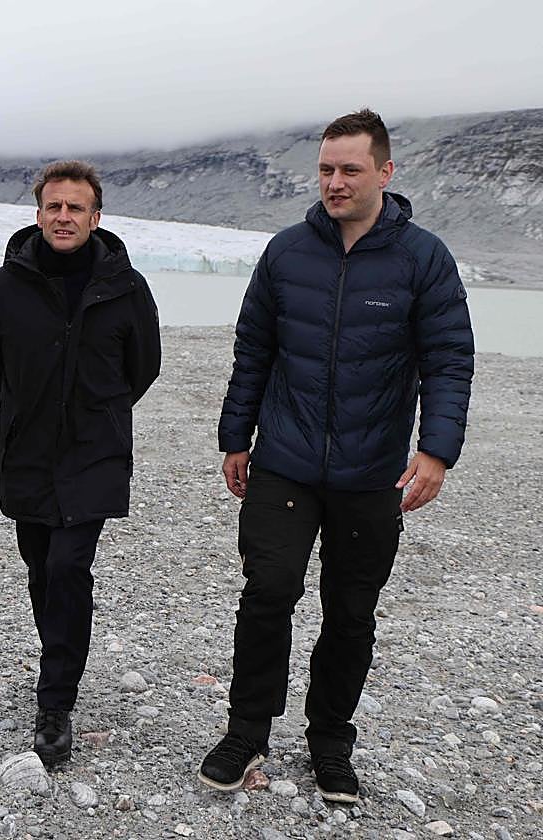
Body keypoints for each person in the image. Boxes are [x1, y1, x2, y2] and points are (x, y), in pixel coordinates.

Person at [199, 109, 474, 803]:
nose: (335, 182)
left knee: (350, 610)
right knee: (268, 592)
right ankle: (246, 728)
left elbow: (448, 360)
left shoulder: (423, 259)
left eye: (350, 169)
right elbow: (254, 349)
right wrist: (237, 437)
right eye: (326, 168)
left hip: (370, 470)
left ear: (385, 171)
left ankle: (330, 742)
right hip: (285, 460)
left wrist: (436, 450)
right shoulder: (288, 252)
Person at [0, 160, 161, 766]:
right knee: (40, 568)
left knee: (69, 565)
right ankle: (60, 658)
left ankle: (55, 700)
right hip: (28, 450)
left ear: (95, 217)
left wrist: (95, 410)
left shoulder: (127, 290)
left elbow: (143, 369)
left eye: (75, 208)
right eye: (54, 207)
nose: (63, 217)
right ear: (38, 214)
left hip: (94, 452)